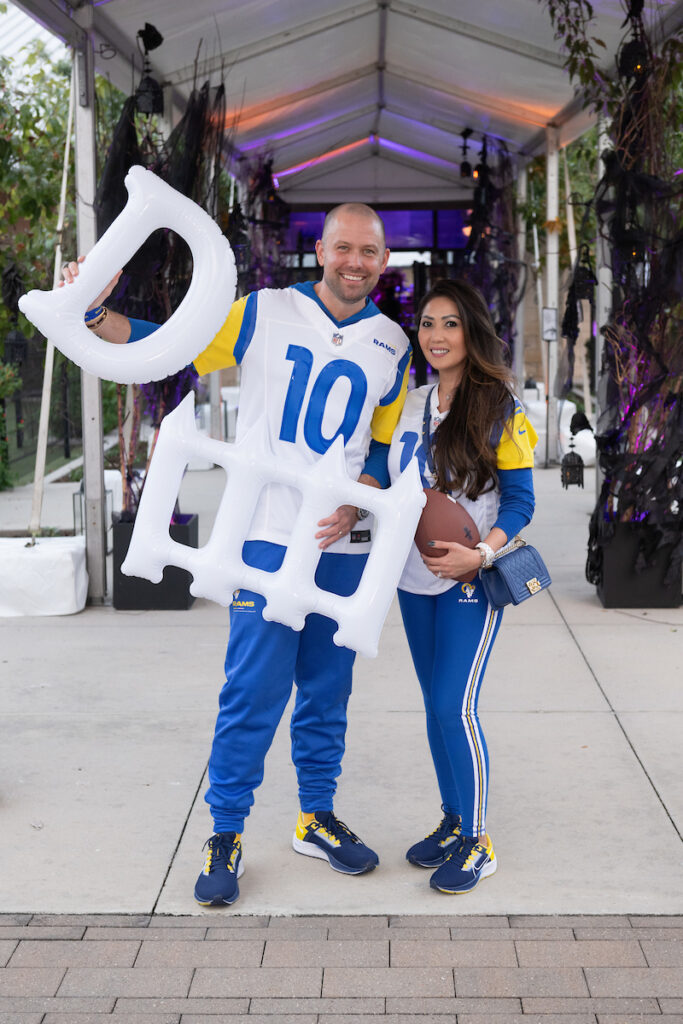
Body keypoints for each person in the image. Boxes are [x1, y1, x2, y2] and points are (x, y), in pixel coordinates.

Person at [61, 203, 411, 906]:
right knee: (251, 692)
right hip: (265, 535)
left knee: (325, 691)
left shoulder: (393, 344)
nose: (355, 262)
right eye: (344, 247)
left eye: (368, 252)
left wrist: (360, 494)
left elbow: (380, 446)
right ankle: (225, 828)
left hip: (338, 544)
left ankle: (315, 816)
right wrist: (94, 314)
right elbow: (169, 345)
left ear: (382, 259)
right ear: (321, 249)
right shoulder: (265, 310)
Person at [387, 278, 537, 894]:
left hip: (470, 578)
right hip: (412, 578)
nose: (436, 335)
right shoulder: (408, 400)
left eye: (450, 323)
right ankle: (452, 820)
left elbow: (522, 503)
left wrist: (479, 552)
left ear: (471, 331)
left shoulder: (499, 404)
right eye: (427, 323)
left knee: (456, 705)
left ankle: (478, 841)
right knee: (433, 708)